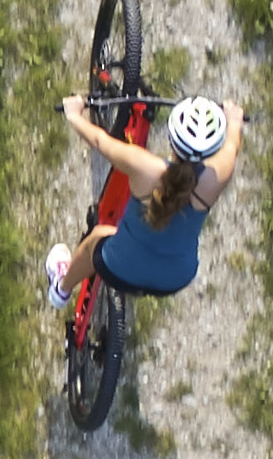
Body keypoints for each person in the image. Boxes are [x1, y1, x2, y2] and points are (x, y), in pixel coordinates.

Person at [42, 87, 243, 313]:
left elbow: (100, 141)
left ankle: (61, 289)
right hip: (175, 279)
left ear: (171, 136)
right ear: (212, 150)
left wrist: (74, 115)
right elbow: (232, 147)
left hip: (120, 269)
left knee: (98, 235)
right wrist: (234, 122)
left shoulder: (144, 168)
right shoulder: (216, 179)